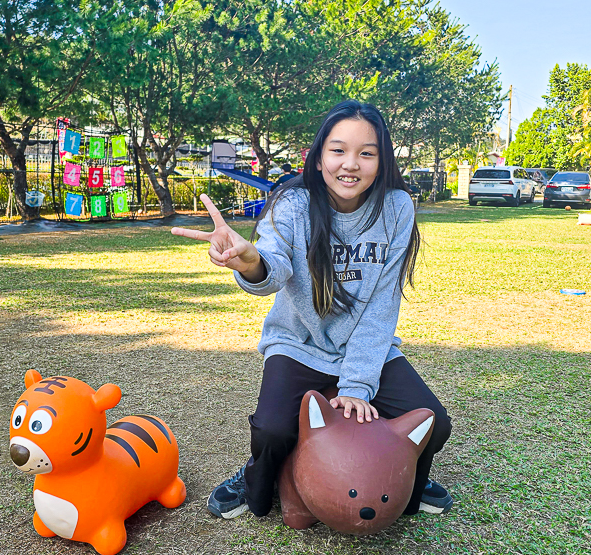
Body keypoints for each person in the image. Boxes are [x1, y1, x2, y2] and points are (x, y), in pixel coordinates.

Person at [171, 100, 453, 521]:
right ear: (319, 158)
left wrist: (356, 384)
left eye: (367, 153)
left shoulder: (396, 208)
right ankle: (252, 478)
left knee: (435, 424)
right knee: (272, 430)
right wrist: (249, 260)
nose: (350, 164)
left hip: (365, 346)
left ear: (382, 161)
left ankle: (407, 476)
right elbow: (272, 265)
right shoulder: (294, 204)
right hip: (298, 343)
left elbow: (381, 306)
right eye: (338, 150)